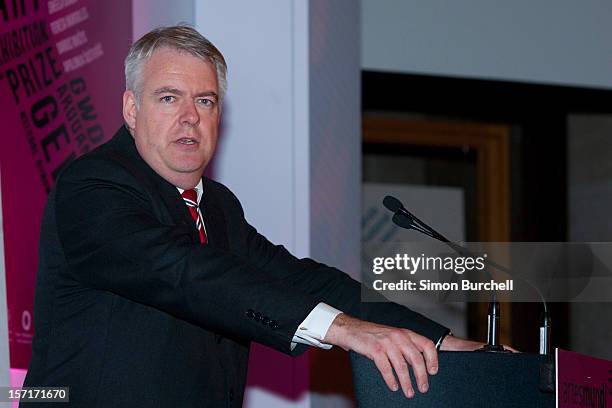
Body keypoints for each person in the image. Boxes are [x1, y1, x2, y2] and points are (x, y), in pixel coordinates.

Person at [23, 25, 484, 407]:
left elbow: (304, 280)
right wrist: (343, 329)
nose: (189, 118)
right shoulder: (93, 185)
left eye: (204, 101)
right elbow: (185, 272)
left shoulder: (218, 206)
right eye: (168, 98)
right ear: (130, 108)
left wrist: (441, 343)